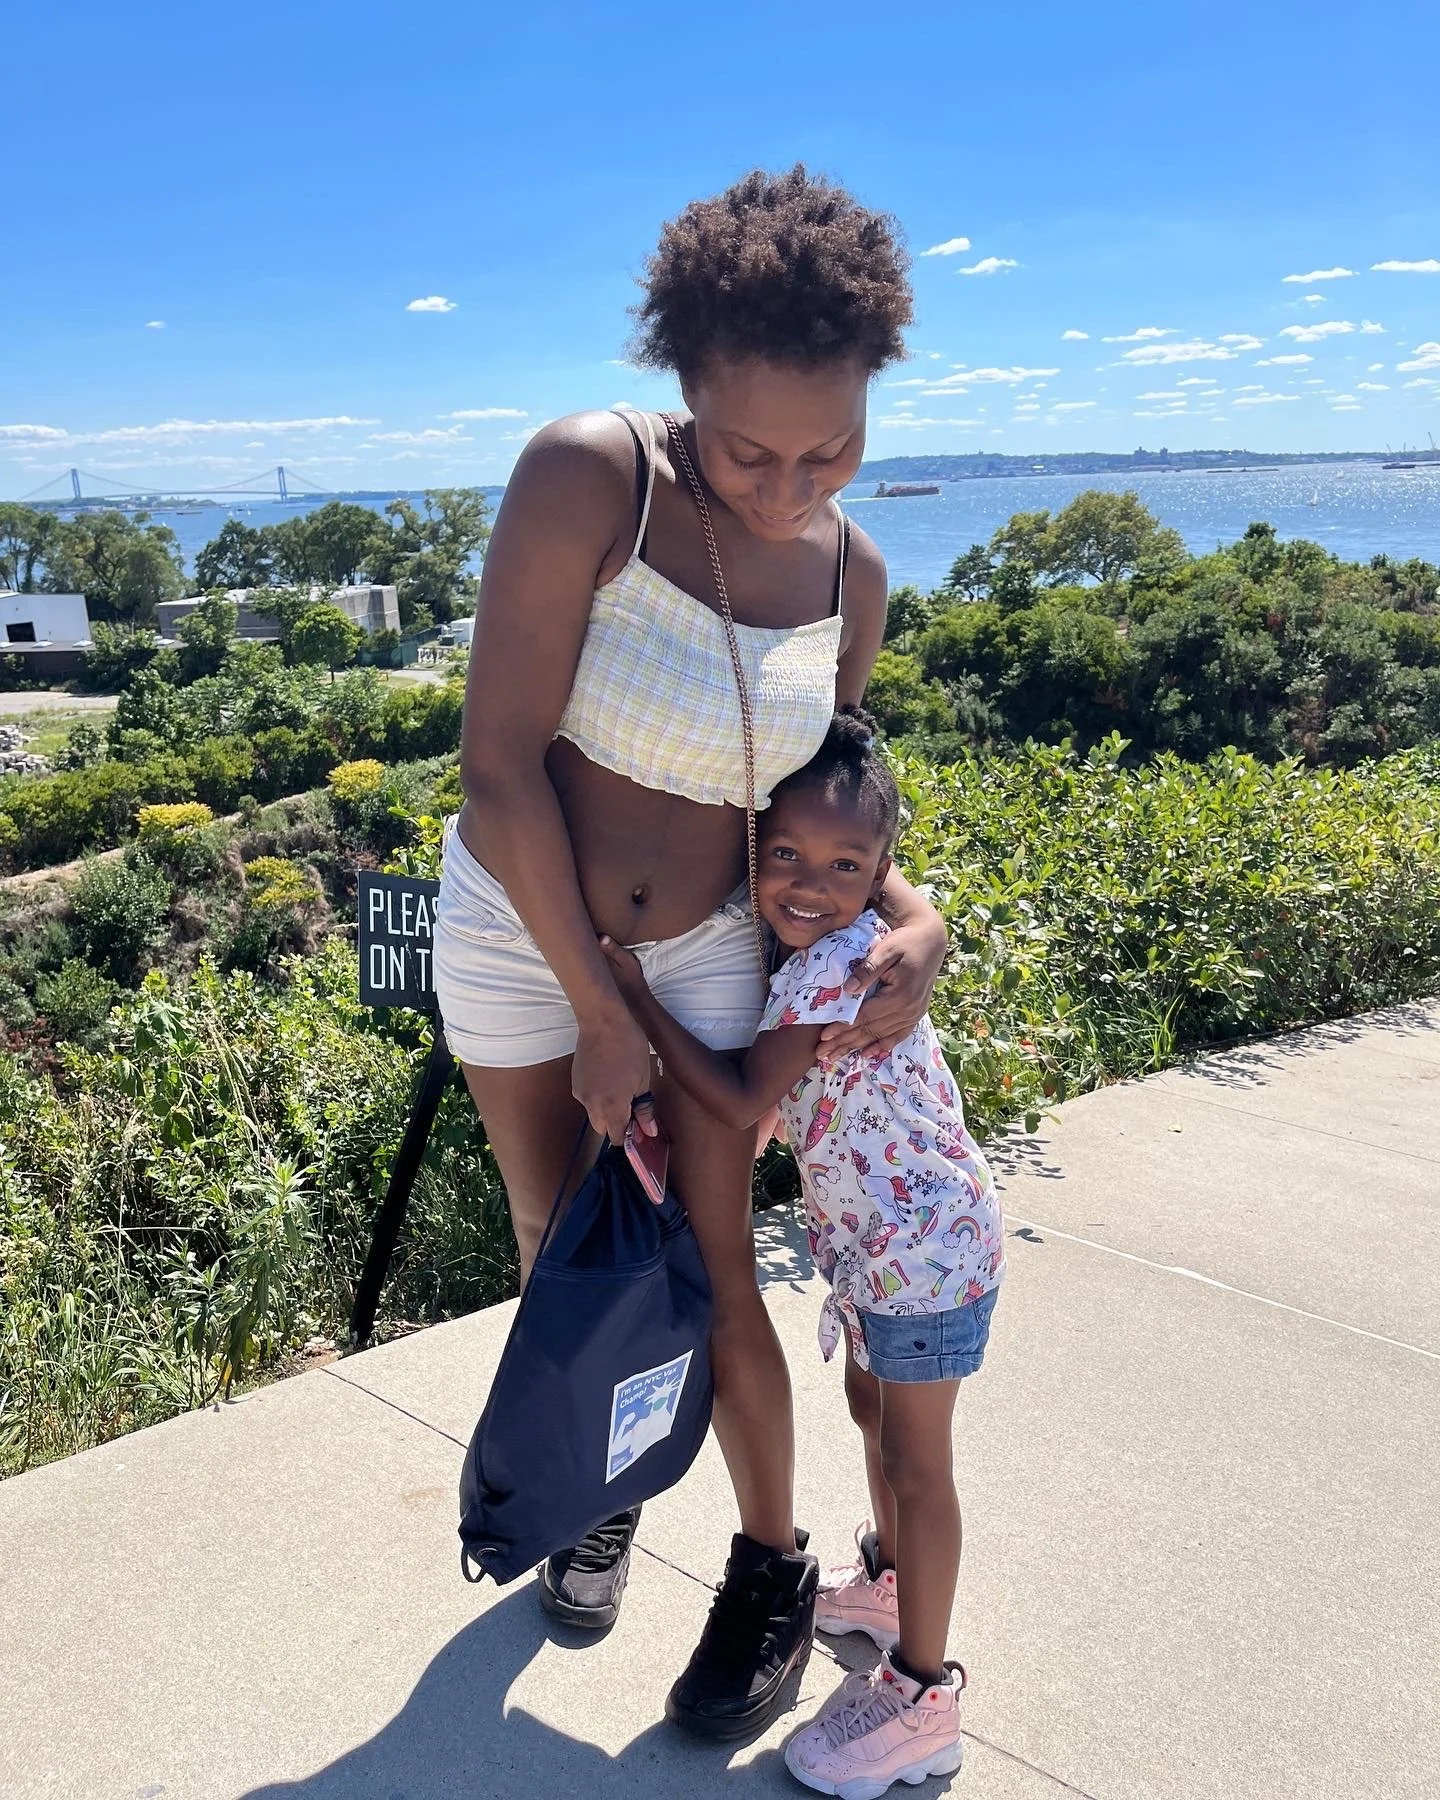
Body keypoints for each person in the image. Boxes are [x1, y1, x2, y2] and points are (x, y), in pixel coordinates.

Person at [435, 165, 949, 1739]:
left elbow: (836, 816)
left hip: (716, 955)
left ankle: (771, 1566)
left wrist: (919, 923)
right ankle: (600, 1491)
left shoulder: (854, 572)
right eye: (750, 447)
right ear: (684, 386)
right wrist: (594, 1004)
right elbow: (500, 766)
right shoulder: (596, 476)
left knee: (718, 1270)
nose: (791, 484)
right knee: (565, 1249)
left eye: (832, 447)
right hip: (522, 936)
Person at [598, 707, 1003, 1795]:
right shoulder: (818, 959)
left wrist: (633, 997)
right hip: (888, 1248)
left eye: (843, 864)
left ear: (880, 874)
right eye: (783, 854)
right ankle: (885, 1582)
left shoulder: (833, 969)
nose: (807, 881)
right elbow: (796, 1100)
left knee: (920, 1464)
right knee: (876, 1420)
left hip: (921, 1252)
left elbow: (737, 1097)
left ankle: (923, 1695)